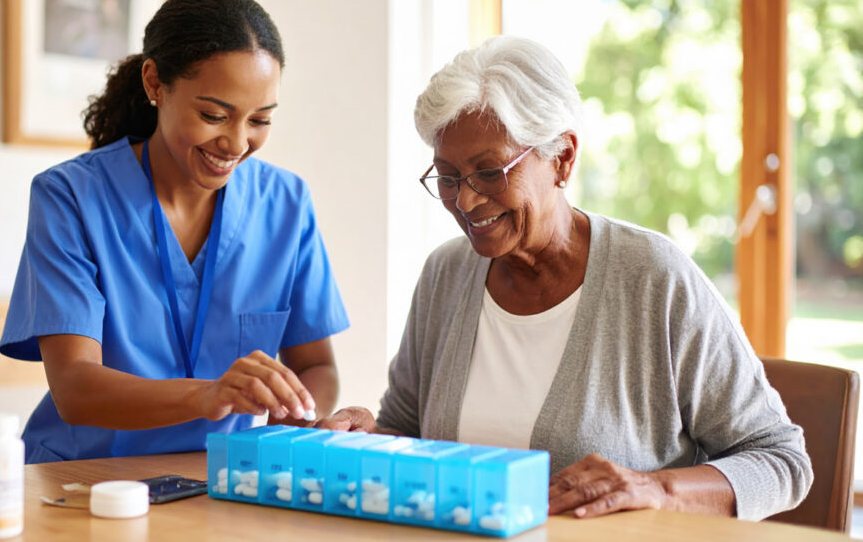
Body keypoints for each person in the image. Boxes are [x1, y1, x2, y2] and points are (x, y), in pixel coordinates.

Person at [317, 35, 811, 521]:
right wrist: (369, 439)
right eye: (448, 177)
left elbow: (780, 460)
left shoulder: (653, 278)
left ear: (563, 158)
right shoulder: (445, 274)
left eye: (489, 173)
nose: (465, 202)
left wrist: (655, 489)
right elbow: (411, 433)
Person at [0, 0, 348, 463]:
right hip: (87, 483)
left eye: (260, 120)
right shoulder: (71, 198)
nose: (237, 142)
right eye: (213, 115)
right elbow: (75, 387)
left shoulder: (285, 204)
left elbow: (317, 366)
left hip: (222, 481)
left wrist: (300, 412)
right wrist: (208, 395)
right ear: (155, 84)